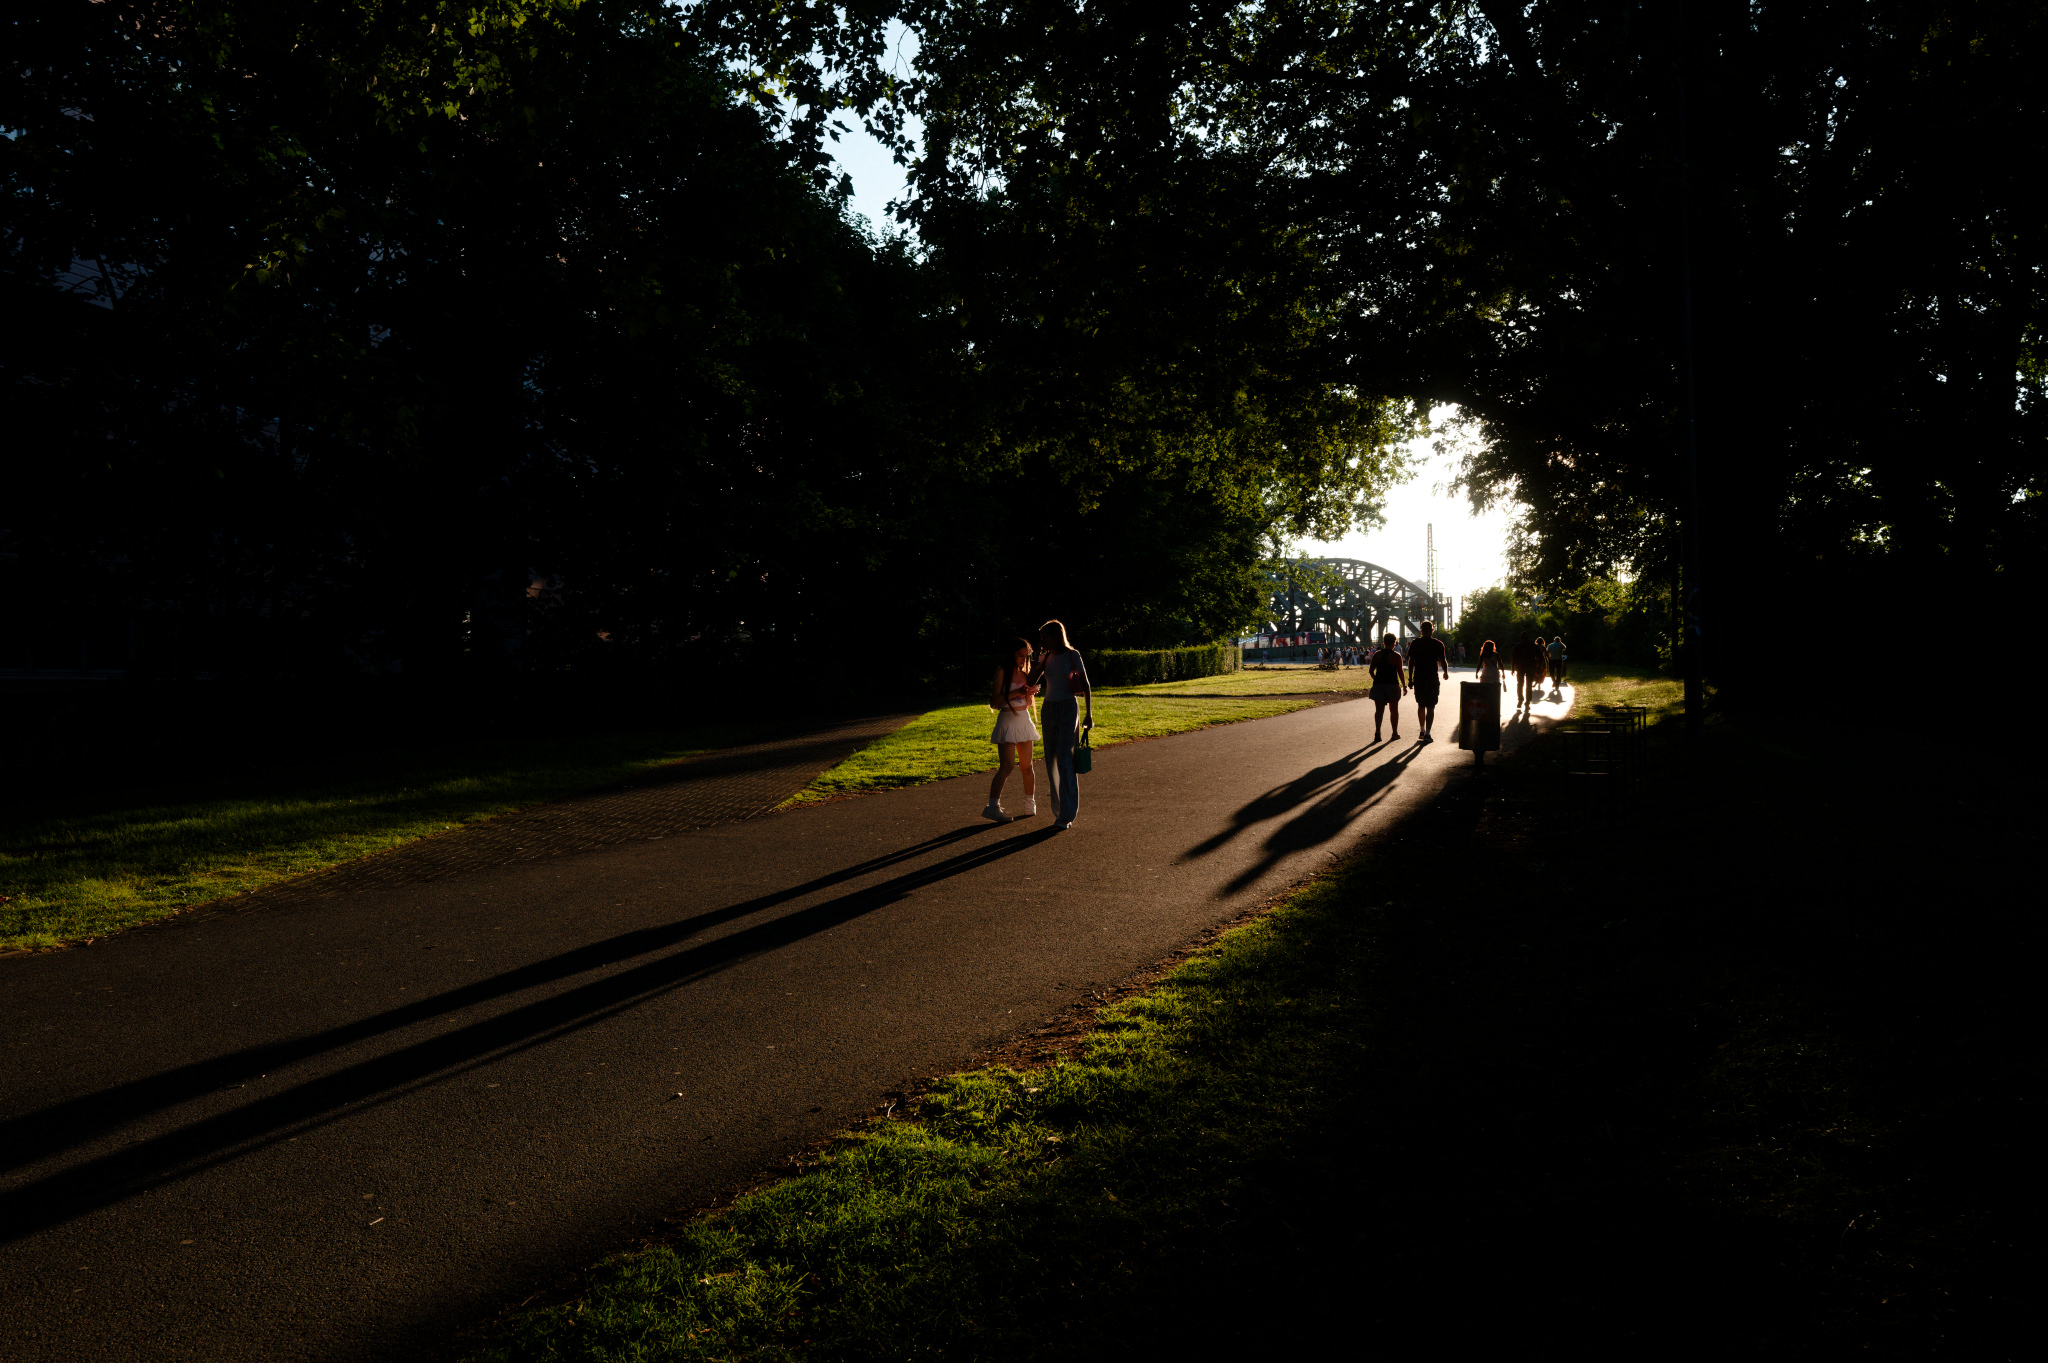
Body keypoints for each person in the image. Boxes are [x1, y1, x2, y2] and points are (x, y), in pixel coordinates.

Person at [1033, 619, 1092, 830]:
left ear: (1057, 635)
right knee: (1051, 760)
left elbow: (1085, 684)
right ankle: (1058, 811)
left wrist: (1089, 714)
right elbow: (1031, 681)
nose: (1044, 642)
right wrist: (1037, 659)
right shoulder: (1044, 657)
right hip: (1049, 708)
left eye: (1046, 637)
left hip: (1068, 707)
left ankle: (1066, 815)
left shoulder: (1071, 655)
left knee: (1065, 760)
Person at [982, 636, 1040, 823]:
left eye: (1026, 656)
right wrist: (1018, 692)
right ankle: (992, 806)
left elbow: (1028, 704)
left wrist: (1029, 694)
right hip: (1007, 720)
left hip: (1023, 720)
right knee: (1006, 766)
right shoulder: (1002, 672)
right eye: (1019, 655)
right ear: (1011, 654)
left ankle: (1030, 803)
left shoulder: (1026, 673)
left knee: (1027, 766)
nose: (1023, 659)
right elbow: (994, 702)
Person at [1407, 621, 1451, 743]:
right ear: (1432, 630)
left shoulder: (1415, 643)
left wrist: (1410, 679)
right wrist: (1445, 672)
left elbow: (1411, 662)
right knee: (1431, 706)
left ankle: (1421, 729)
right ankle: (1427, 732)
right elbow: (1443, 660)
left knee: (1421, 705)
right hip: (1432, 678)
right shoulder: (1438, 644)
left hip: (1419, 678)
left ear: (1421, 631)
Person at [1367, 631, 1407, 742]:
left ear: (1384, 642)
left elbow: (1371, 670)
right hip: (1392, 686)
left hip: (1379, 686)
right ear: (1394, 643)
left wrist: (1376, 679)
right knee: (1393, 710)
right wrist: (1404, 686)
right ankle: (1394, 733)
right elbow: (1400, 672)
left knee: (1379, 711)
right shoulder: (1396, 656)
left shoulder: (1377, 654)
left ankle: (1378, 732)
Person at [1511, 633, 1541, 708]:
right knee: (1529, 685)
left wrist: (1512, 668)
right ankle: (1527, 702)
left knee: (1520, 684)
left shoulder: (1517, 645)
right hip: (1530, 666)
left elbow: (1513, 657)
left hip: (1520, 667)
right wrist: (1538, 667)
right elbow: (1539, 656)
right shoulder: (1533, 645)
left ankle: (1520, 700)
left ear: (1521, 637)